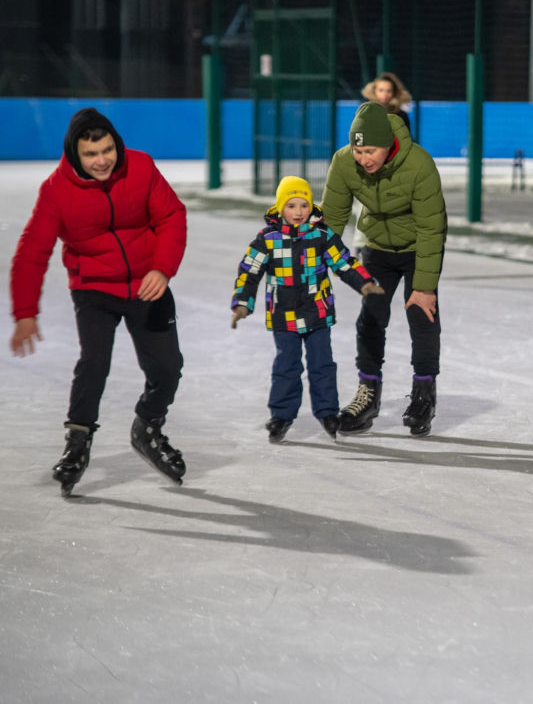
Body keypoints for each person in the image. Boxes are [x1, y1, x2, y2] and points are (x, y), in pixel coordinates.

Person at [9, 107, 188, 496]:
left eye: (107, 150)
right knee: (94, 363)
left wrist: (162, 268)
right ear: (75, 154)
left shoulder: (140, 167)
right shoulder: (56, 190)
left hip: (147, 283)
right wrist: (25, 313)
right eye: (91, 154)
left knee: (168, 368)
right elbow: (32, 251)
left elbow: (171, 216)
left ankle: (148, 427)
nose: (102, 160)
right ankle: (77, 443)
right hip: (94, 288)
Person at [320, 101, 446, 437]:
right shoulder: (343, 162)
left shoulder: (419, 164)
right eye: (358, 150)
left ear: (388, 144)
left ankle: (424, 395)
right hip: (377, 246)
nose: (364, 159)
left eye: (370, 151)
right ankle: (368, 395)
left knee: (422, 315)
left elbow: (432, 228)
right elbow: (332, 217)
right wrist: (315, 263)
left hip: (418, 247)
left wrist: (424, 287)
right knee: (372, 317)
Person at [230, 175, 384, 443]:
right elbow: (249, 271)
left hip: (317, 313)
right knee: (286, 366)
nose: (298, 212)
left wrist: (364, 282)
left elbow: (343, 262)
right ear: (280, 208)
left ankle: (327, 413)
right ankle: (281, 416)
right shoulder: (268, 239)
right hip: (283, 315)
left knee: (322, 365)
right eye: (291, 206)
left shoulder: (321, 236)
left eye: (304, 205)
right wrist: (243, 303)